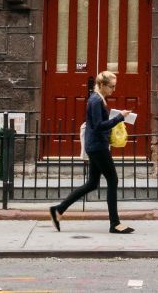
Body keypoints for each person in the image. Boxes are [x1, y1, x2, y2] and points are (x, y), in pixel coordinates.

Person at [49, 71, 135, 234]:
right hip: (97, 147)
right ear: (102, 85)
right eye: (111, 86)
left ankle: (58, 210)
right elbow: (97, 125)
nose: (113, 90)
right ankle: (115, 224)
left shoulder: (98, 99)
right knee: (113, 179)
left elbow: (98, 125)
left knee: (92, 183)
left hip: (96, 145)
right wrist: (119, 118)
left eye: (114, 86)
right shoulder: (96, 100)